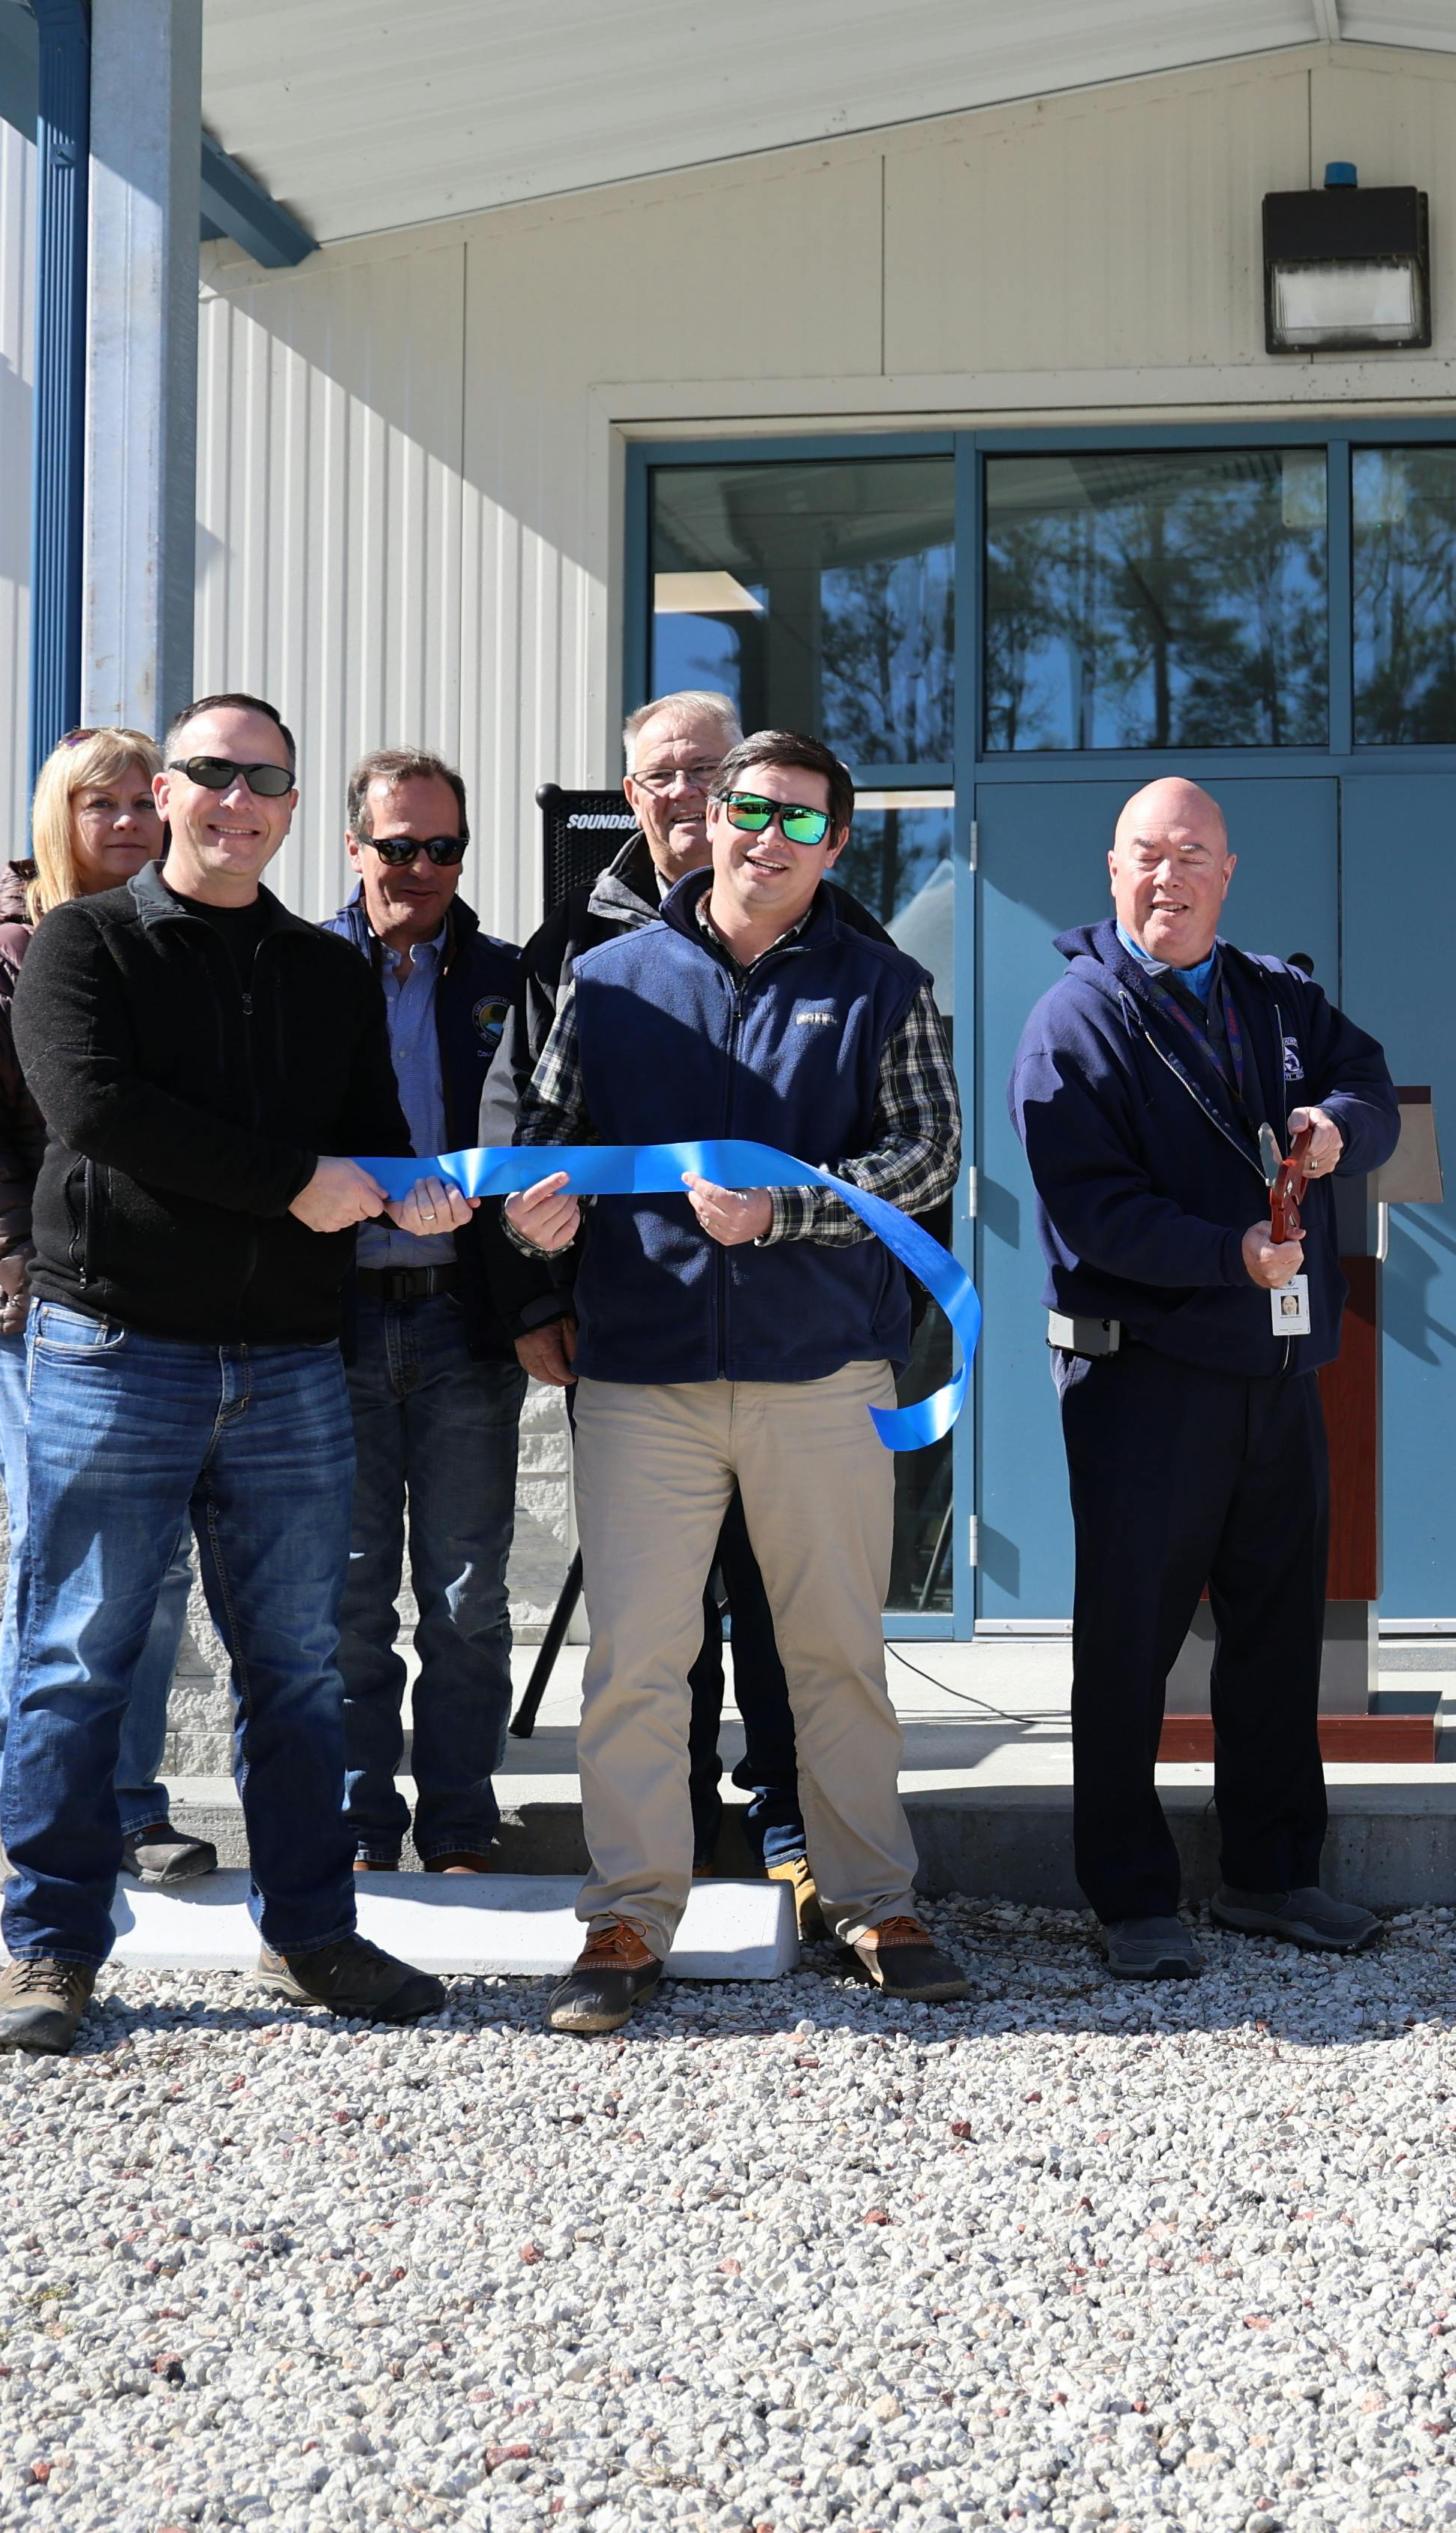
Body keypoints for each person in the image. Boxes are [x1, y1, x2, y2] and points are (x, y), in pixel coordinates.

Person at [0, 692, 463, 2056]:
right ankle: (53, 1947)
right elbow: (100, 1116)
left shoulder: (327, 971)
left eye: (268, 783)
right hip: (118, 1350)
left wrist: (427, 1198)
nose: (238, 801)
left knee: (299, 1669)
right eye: (212, 775)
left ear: (295, 811)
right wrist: (302, 1184)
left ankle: (310, 1931)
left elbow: (371, 1139)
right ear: (170, 791)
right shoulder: (79, 945)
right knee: (77, 1656)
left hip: (294, 1367)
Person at [503, 729, 972, 2034]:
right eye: (750, 811)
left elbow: (927, 1159)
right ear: (708, 816)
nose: (770, 839)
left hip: (821, 1374)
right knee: (639, 1661)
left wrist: (786, 1216)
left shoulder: (887, 985)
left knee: (834, 1657)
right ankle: (627, 1917)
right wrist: (531, 1224)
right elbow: (543, 1141)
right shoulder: (606, 979)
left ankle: (875, 1902)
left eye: (804, 823)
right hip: (642, 1375)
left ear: (838, 846)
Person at [1008, 777, 1400, 1981]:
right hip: (1146, 1383)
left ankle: (1273, 1876)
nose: (1167, 878)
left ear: (1229, 873)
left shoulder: (1277, 996)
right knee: (1129, 1646)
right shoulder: (1073, 1023)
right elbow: (1093, 1217)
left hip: (1275, 1376)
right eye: (1146, 856)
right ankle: (1132, 1899)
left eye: (1192, 857)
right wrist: (1227, 1255)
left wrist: (1336, 1128)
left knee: (1279, 1637)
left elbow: (1369, 1086)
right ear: (1111, 869)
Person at [481, 691, 815, 1912]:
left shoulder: (839, 929)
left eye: (708, 771)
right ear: (631, 797)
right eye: (662, 775)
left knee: (784, 1599)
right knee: (657, 1614)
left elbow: (888, 1146)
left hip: (793, 1346)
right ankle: (670, 1821)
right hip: (634, 1340)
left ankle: (791, 1816)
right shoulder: (570, 946)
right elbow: (521, 1138)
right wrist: (533, 1300)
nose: (687, 794)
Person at [0, 726, 213, 1888]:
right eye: (105, 805)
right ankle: (37, 1817)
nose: (133, 823)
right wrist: (39, 1274)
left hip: (160, 1311)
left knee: (156, 1566)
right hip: (33, 1316)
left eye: (149, 802)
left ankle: (132, 1806)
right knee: (66, 1557)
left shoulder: (177, 953)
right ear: (59, 817)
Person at [321, 748, 534, 1876]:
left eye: (441, 848)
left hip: (464, 1325)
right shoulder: (298, 971)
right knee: (348, 1604)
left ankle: (458, 1824)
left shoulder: (511, 978)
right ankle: (360, 1830)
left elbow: (543, 1142)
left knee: (465, 1599)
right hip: (333, 1325)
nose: (418, 867)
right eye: (396, 846)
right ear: (352, 847)